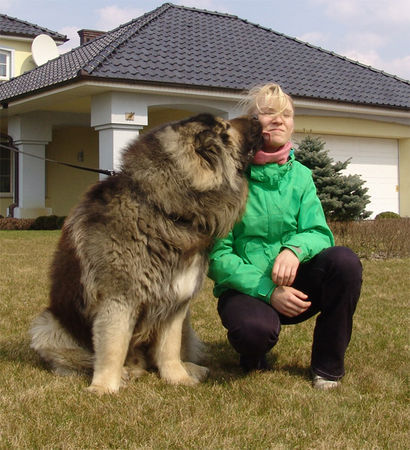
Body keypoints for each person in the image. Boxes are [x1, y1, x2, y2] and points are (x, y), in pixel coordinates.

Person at [208, 83, 362, 390]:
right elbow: (217, 256)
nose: (279, 119)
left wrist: (293, 250)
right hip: (247, 290)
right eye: (268, 113)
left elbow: (318, 232)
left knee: (344, 263)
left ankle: (327, 369)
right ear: (251, 124)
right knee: (253, 331)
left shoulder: (302, 176)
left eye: (286, 114)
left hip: (297, 286)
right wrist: (267, 290)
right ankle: (253, 354)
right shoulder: (228, 179)